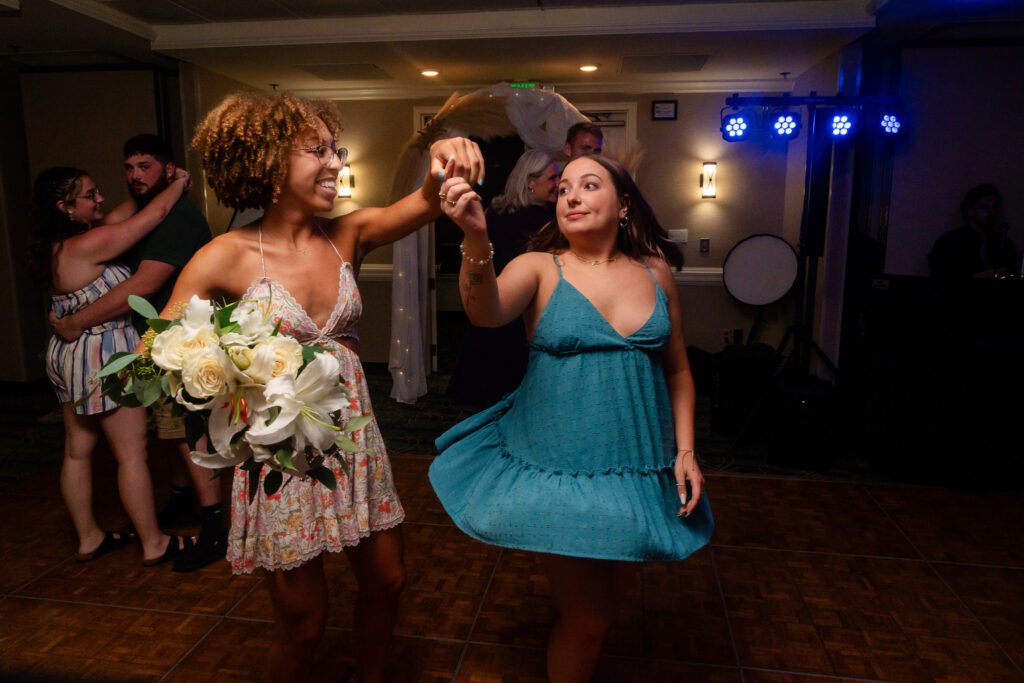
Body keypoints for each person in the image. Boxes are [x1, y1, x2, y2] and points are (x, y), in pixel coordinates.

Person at [162, 91, 483, 682]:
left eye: (336, 149)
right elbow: (153, 356)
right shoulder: (221, 256)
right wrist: (230, 373)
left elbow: (430, 199)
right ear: (265, 160)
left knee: (389, 579)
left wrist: (444, 149)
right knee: (305, 624)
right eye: (317, 150)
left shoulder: (349, 234)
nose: (336, 162)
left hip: (355, 446)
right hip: (280, 459)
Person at [429, 154, 713, 682]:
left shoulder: (655, 273)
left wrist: (686, 451)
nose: (572, 197)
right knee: (589, 620)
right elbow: (484, 311)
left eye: (589, 185)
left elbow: (678, 371)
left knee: (606, 604)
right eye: (563, 190)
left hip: (635, 469)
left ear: (623, 205)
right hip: (558, 466)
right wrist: (473, 238)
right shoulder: (539, 266)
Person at [50, 134, 222, 573]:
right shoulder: (118, 226)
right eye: (128, 167)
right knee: (165, 434)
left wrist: (73, 321)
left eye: (144, 166)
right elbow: (128, 215)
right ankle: (173, 517)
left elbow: (144, 284)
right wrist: (170, 185)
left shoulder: (173, 216)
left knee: (186, 433)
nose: (132, 176)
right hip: (130, 344)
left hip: (176, 339)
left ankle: (213, 526)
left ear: (166, 169)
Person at [31, 165, 194, 565]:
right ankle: (154, 543)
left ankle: (89, 538)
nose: (100, 199)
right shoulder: (90, 245)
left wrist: (147, 186)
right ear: (65, 206)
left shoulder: (55, 246)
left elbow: (123, 213)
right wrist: (178, 184)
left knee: (78, 451)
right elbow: (151, 217)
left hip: (67, 355)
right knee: (131, 453)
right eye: (90, 194)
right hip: (103, 354)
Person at [447, 149, 560, 407]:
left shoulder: (501, 213)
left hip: (515, 314)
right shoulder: (502, 215)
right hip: (504, 311)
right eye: (552, 178)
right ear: (530, 181)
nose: (558, 184)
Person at [929, 183, 1018, 278]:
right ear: (970, 211)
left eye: (994, 207)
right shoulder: (950, 241)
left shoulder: (1004, 244)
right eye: (984, 207)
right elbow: (940, 273)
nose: (991, 212)